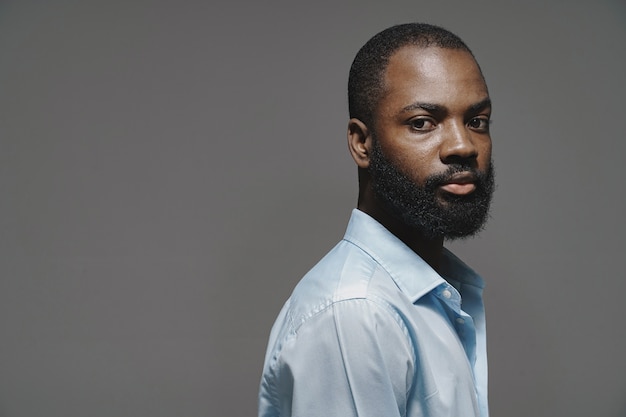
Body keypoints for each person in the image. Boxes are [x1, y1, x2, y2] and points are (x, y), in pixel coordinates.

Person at [259, 23, 495, 417]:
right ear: (361, 143)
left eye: (477, 121)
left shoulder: (434, 295)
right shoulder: (357, 313)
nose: (463, 145)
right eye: (422, 122)